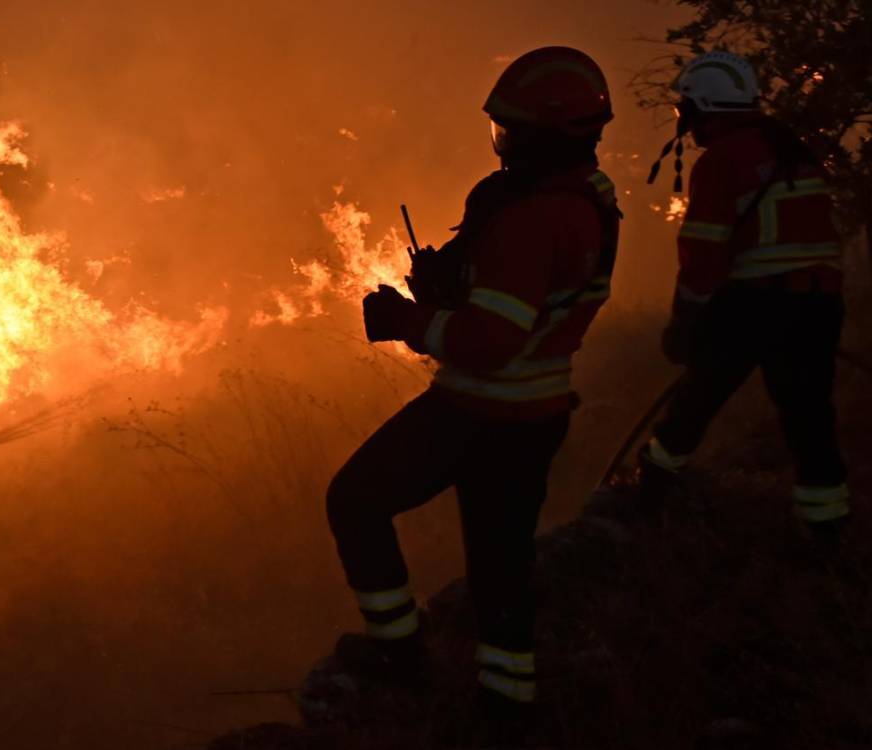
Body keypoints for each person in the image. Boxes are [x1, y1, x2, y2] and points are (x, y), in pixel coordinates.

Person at [325, 46, 621, 727]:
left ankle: (400, 655)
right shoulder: (589, 199)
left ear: (547, 135)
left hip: (479, 413)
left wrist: (407, 320)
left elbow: (490, 344)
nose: (504, 145)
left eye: (512, 131)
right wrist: (450, 285)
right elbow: (526, 303)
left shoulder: (530, 218)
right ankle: (507, 707)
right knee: (500, 564)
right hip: (537, 414)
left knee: (355, 500)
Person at [640, 51, 849, 540]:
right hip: (820, 304)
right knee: (810, 420)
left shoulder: (723, 160)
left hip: (757, 304)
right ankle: (826, 530)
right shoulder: (794, 149)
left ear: (704, 107)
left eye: (685, 111)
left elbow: (702, 255)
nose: (685, 123)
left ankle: (647, 500)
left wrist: (684, 321)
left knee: (694, 405)